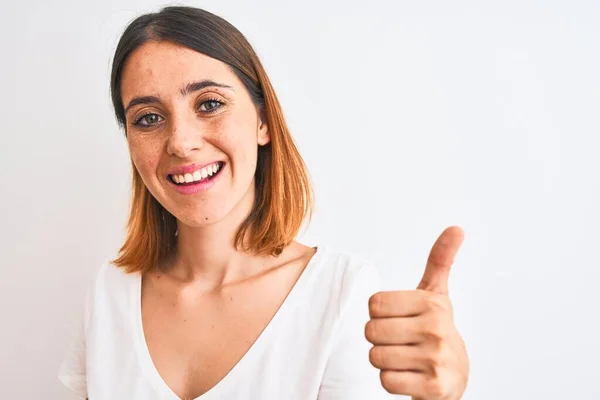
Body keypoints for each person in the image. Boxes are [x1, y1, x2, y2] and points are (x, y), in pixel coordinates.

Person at [58, 6, 469, 400]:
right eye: (148, 117)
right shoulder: (110, 293)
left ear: (262, 121)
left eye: (209, 104)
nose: (181, 142)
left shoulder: (340, 294)